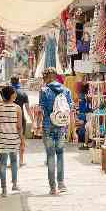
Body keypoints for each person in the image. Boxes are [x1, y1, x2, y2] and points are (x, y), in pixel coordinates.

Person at [39, 67, 72, 195]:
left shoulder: (44, 90)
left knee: (51, 156)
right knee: (60, 154)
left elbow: (41, 110)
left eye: (44, 77)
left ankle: (52, 187)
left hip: (48, 126)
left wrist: (37, 125)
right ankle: (61, 183)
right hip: (61, 127)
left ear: (48, 77)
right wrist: (72, 130)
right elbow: (70, 111)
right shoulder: (66, 90)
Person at [0, 85, 23, 197]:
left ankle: (4, 189)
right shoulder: (17, 108)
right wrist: (22, 139)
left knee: (3, 164)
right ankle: (14, 184)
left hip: (1, 139)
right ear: (11, 95)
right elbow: (19, 126)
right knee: (14, 161)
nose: (15, 94)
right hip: (13, 139)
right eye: (14, 93)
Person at [10, 76, 30, 166]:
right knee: (21, 140)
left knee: (10, 140)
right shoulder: (23, 93)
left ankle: (12, 161)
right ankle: (21, 161)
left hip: (10, 119)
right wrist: (32, 120)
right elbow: (27, 109)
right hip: (21, 119)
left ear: (11, 82)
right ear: (19, 81)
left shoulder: (7, 93)